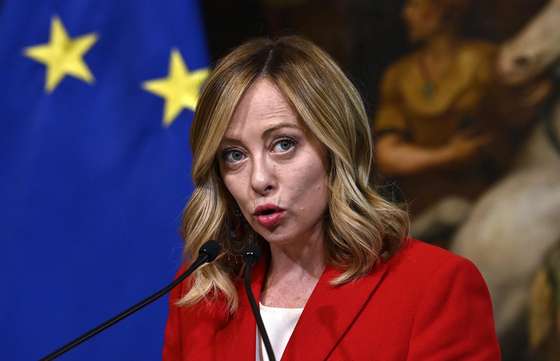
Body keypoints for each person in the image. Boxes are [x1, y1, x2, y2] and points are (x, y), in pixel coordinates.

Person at [163, 36, 500, 361]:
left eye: (283, 144)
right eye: (234, 155)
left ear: (335, 147)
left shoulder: (433, 286)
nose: (259, 179)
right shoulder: (202, 294)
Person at [374, 0, 541, 234]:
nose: (405, 14)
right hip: (420, 205)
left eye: (414, 5)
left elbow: (514, 119)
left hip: (482, 197)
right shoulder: (399, 75)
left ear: (444, 10)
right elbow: (387, 155)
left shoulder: (486, 59)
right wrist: (449, 154)